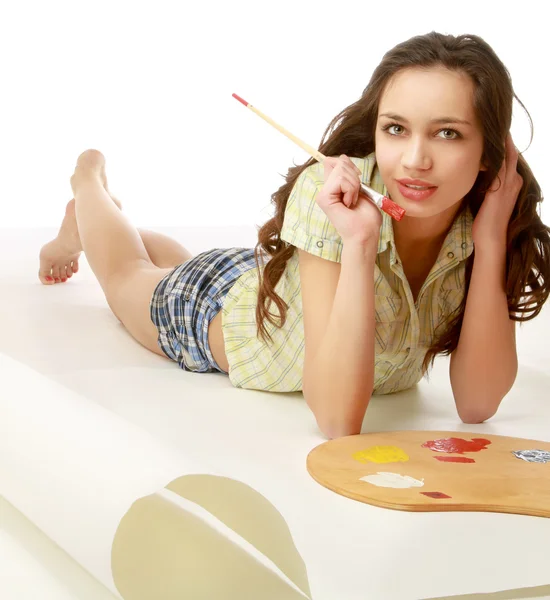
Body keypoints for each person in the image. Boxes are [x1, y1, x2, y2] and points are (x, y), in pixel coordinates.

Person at [38, 31, 549, 439]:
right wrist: (360, 244)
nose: (415, 160)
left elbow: (478, 405)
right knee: (129, 273)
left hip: (280, 286)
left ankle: (97, 217)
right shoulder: (334, 199)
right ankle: (87, 187)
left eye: (447, 133)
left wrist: (491, 243)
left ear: (491, 152)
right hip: (218, 313)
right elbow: (336, 421)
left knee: (170, 263)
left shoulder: (485, 219)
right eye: (395, 128)